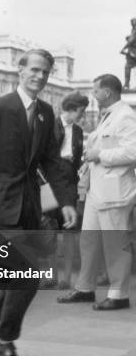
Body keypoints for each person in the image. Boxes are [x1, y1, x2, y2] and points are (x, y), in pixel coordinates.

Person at [0, 49, 77, 356]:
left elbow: (51, 161)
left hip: (27, 207)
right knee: (26, 276)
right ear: (20, 70)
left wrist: (66, 200)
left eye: (45, 72)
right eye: (35, 70)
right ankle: (3, 340)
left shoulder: (45, 113)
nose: (39, 76)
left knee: (14, 278)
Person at [58, 74, 136, 310]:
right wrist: (89, 161)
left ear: (108, 93)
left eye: (96, 91)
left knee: (115, 243)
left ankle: (118, 294)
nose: (93, 95)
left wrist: (99, 156)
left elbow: (132, 152)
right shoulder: (109, 116)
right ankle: (85, 288)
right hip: (97, 191)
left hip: (114, 192)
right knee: (88, 241)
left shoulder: (125, 116)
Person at [44, 91, 89, 289]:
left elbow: (78, 157)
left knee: (70, 229)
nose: (83, 115)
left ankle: (67, 278)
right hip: (50, 182)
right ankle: (52, 275)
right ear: (71, 109)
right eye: (81, 111)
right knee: (49, 229)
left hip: (69, 181)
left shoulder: (78, 131)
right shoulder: (49, 125)